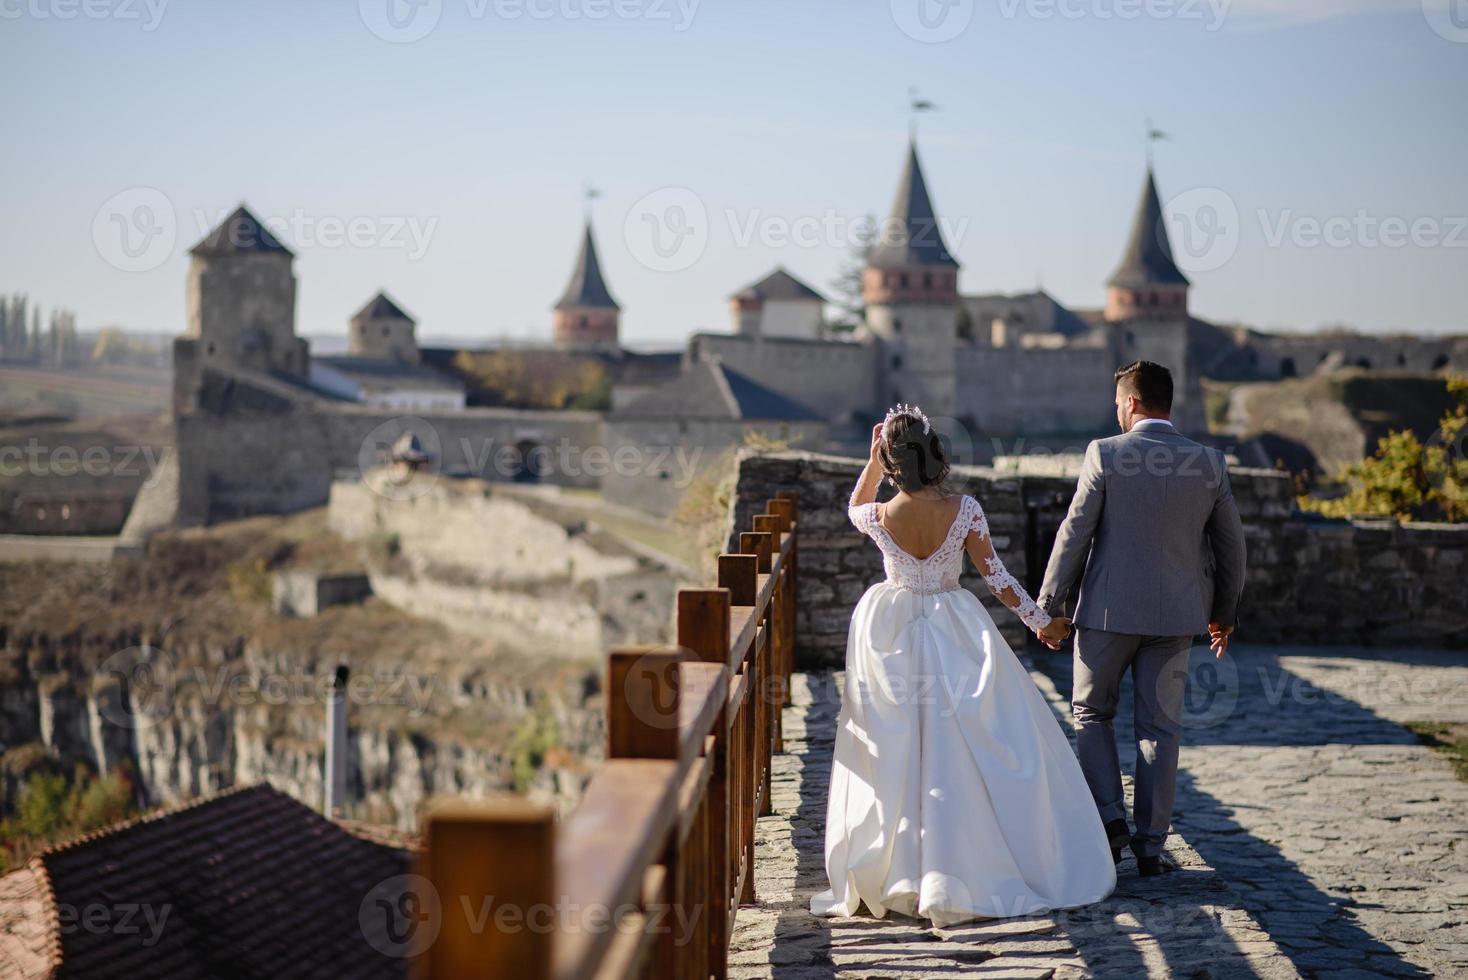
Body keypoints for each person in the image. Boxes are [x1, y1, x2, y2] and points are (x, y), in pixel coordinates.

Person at [810, 403, 1117, 927]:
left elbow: (853, 505)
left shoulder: (881, 516)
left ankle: (901, 866)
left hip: (894, 626)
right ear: (936, 454)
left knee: (902, 747)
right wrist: (1041, 621)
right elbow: (996, 577)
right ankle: (971, 860)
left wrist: (870, 460)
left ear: (891, 462)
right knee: (970, 739)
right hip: (957, 624)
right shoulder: (967, 510)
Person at [1038, 360, 1247, 876]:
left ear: (1131, 403)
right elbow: (1232, 550)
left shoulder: (1105, 454)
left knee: (1092, 713)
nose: (1116, 413)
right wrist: (1223, 613)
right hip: (1177, 617)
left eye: (1117, 404)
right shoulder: (1210, 463)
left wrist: (1049, 608)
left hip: (1106, 615)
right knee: (1160, 729)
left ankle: (1109, 825)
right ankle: (1151, 848)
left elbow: (1074, 532)